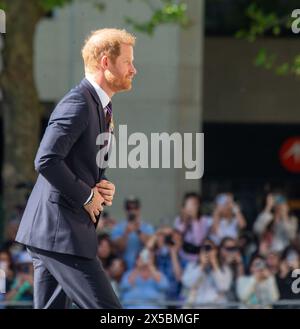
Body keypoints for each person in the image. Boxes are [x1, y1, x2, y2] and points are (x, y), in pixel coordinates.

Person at [15, 28, 137, 309]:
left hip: (55, 232)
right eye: (127, 62)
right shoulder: (79, 102)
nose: (134, 69)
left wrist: (100, 185)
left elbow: (76, 161)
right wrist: (86, 195)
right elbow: (46, 159)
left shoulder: (100, 106)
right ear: (106, 63)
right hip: (61, 233)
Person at [182, 239, 232, 307]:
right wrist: (202, 266)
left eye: (210, 248)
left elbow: (223, 287)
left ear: (216, 251)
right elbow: (187, 283)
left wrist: (214, 263)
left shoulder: (225, 268)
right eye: (205, 248)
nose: (207, 252)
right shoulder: (192, 266)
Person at [111, 197, 155, 269]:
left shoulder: (147, 227)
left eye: (135, 208)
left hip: (143, 269)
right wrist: (126, 233)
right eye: (129, 208)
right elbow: (119, 248)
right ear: (125, 210)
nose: (132, 211)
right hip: (124, 270)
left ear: (139, 209)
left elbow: (151, 246)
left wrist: (138, 230)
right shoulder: (118, 228)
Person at [174, 192, 212, 262]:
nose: (191, 207)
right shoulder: (179, 220)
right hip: (182, 257)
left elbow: (198, 241)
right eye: (189, 204)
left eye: (194, 204)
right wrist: (185, 221)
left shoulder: (204, 220)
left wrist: (194, 220)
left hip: (198, 258)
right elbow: (177, 237)